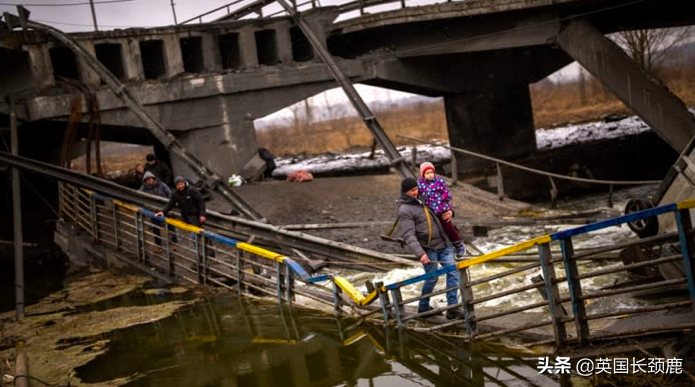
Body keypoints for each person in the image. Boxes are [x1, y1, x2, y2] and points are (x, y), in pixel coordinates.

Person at [396, 177, 464, 320]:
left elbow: (442, 205)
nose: (415, 192)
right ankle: (423, 306)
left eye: (416, 189)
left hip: (444, 244)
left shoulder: (426, 197)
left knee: (452, 273)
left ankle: (453, 309)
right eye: (411, 191)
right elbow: (408, 235)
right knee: (432, 278)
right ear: (405, 192)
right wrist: (420, 253)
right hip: (428, 249)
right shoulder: (404, 210)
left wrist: (451, 212)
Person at [418, 162, 466, 258]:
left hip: (441, 208)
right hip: (430, 211)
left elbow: (447, 193)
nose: (430, 175)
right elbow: (416, 194)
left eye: (431, 172)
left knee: (448, 227)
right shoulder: (420, 184)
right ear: (423, 175)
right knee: (435, 229)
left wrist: (442, 198)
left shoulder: (439, 181)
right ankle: (441, 249)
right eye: (427, 173)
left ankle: (459, 245)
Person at [139, 171, 176, 251]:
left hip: (165, 209)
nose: (149, 180)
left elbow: (170, 194)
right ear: (145, 181)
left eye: (150, 179)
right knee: (155, 228)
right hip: (153, 210)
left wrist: (168, 206)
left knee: (171, 226)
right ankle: (158, 245)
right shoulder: (144, 188)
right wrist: (147, 207)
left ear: (153, 178)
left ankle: (174, 243)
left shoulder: (162, 185)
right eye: (147, 179)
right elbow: (139, 197)